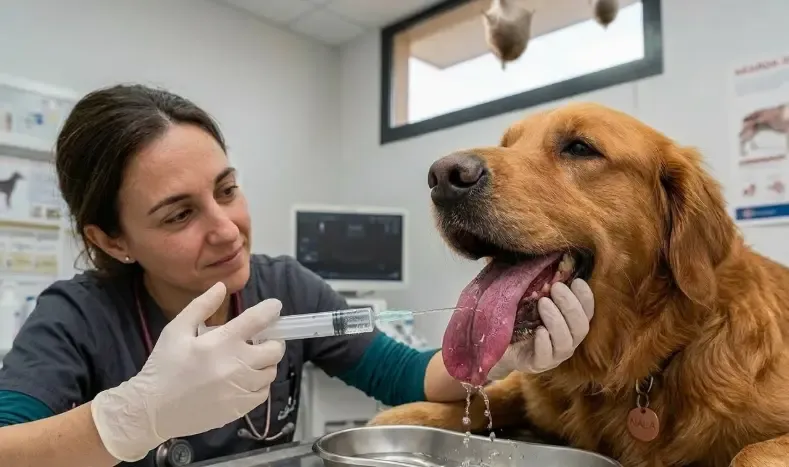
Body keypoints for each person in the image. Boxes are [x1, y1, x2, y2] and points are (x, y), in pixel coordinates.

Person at [0, 84, 595, 467]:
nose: (227, 229)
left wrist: (501, 347)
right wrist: (131, 417)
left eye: (227, 190)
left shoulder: (283, 288)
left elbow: (409, 377)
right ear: (111, 239)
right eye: (179, 214)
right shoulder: (75, 318)